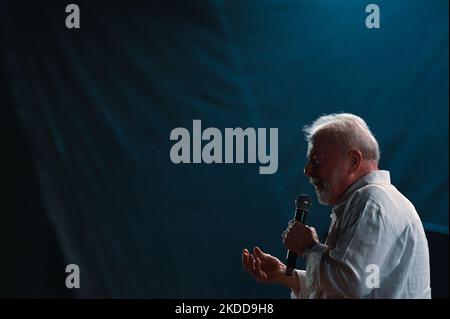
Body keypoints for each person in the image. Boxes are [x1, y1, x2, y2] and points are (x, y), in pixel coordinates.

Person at [242, 113, 431, 299]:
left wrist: (309, 248)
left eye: (316, 160)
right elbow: (343, 288)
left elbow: (352, 284)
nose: (307, 170)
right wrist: (285, 274)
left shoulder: (373, 201)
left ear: (354, 161)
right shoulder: (363, 200)